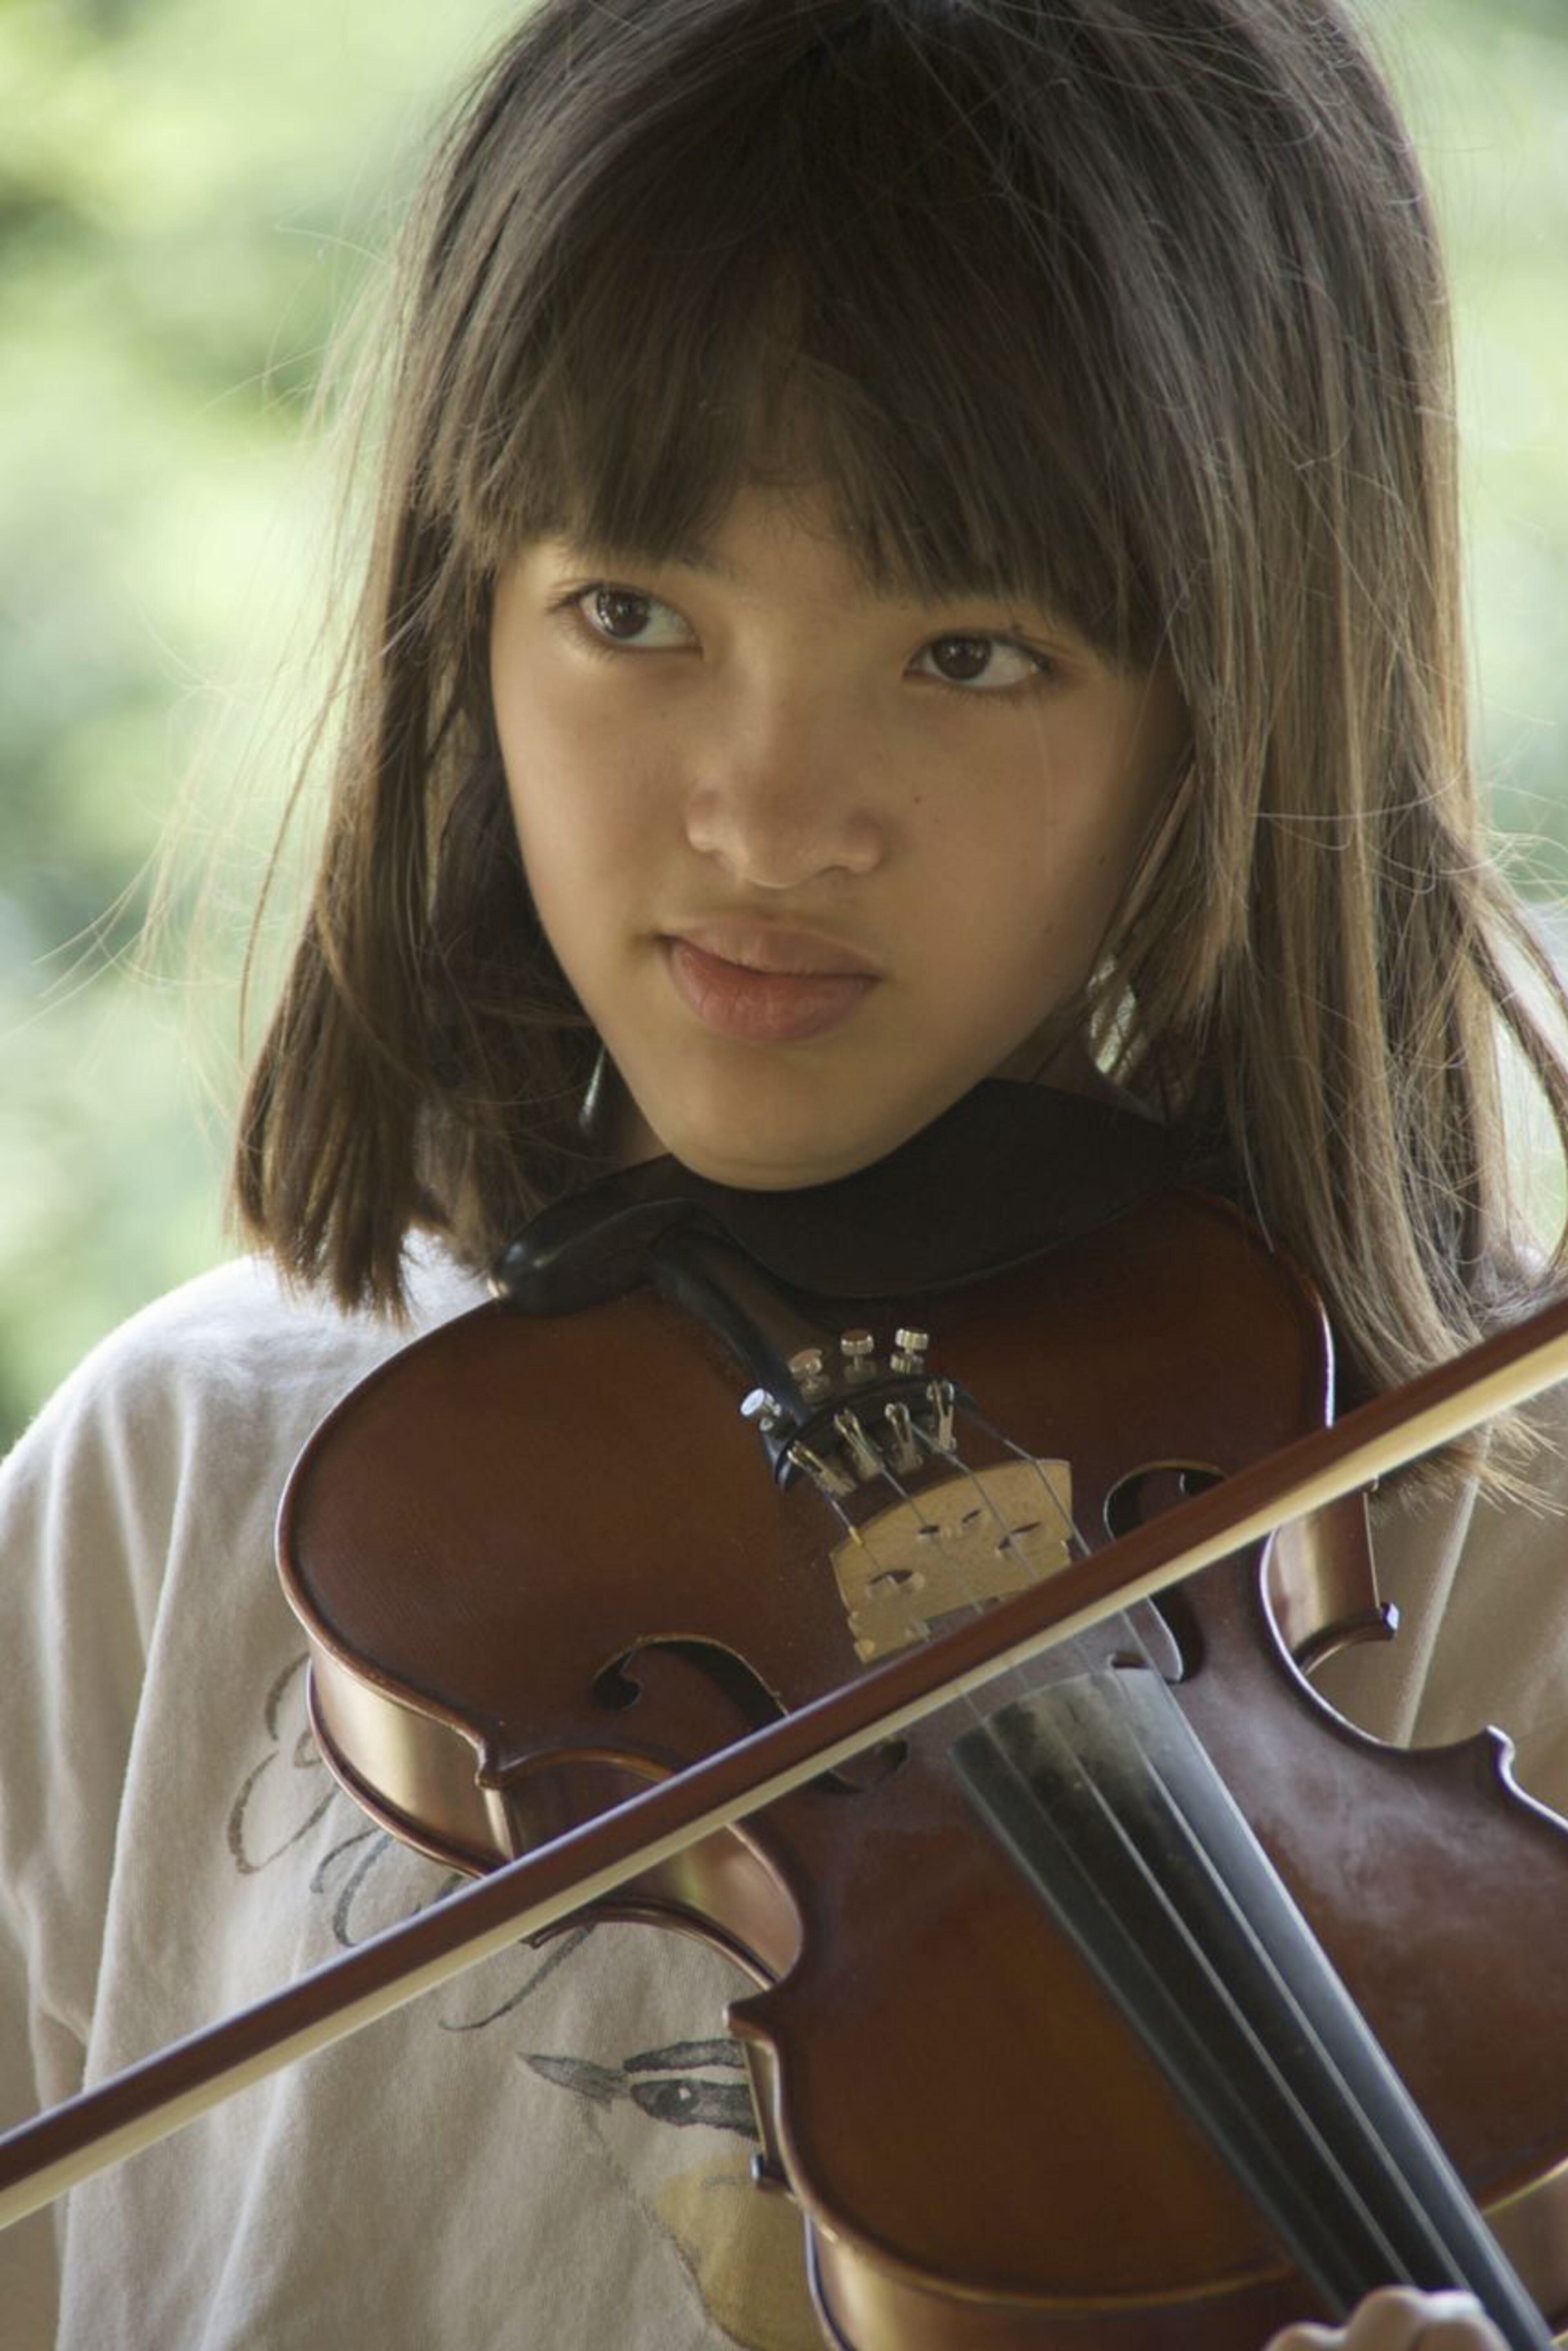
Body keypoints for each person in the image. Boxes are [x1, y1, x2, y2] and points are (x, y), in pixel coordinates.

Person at [1, 0, 1562, 2343]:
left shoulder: (1498, 1570)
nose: (763, 811)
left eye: (968, 650)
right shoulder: (187, 1479)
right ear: (472, 625)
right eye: (633, 613)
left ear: (1237, 702)